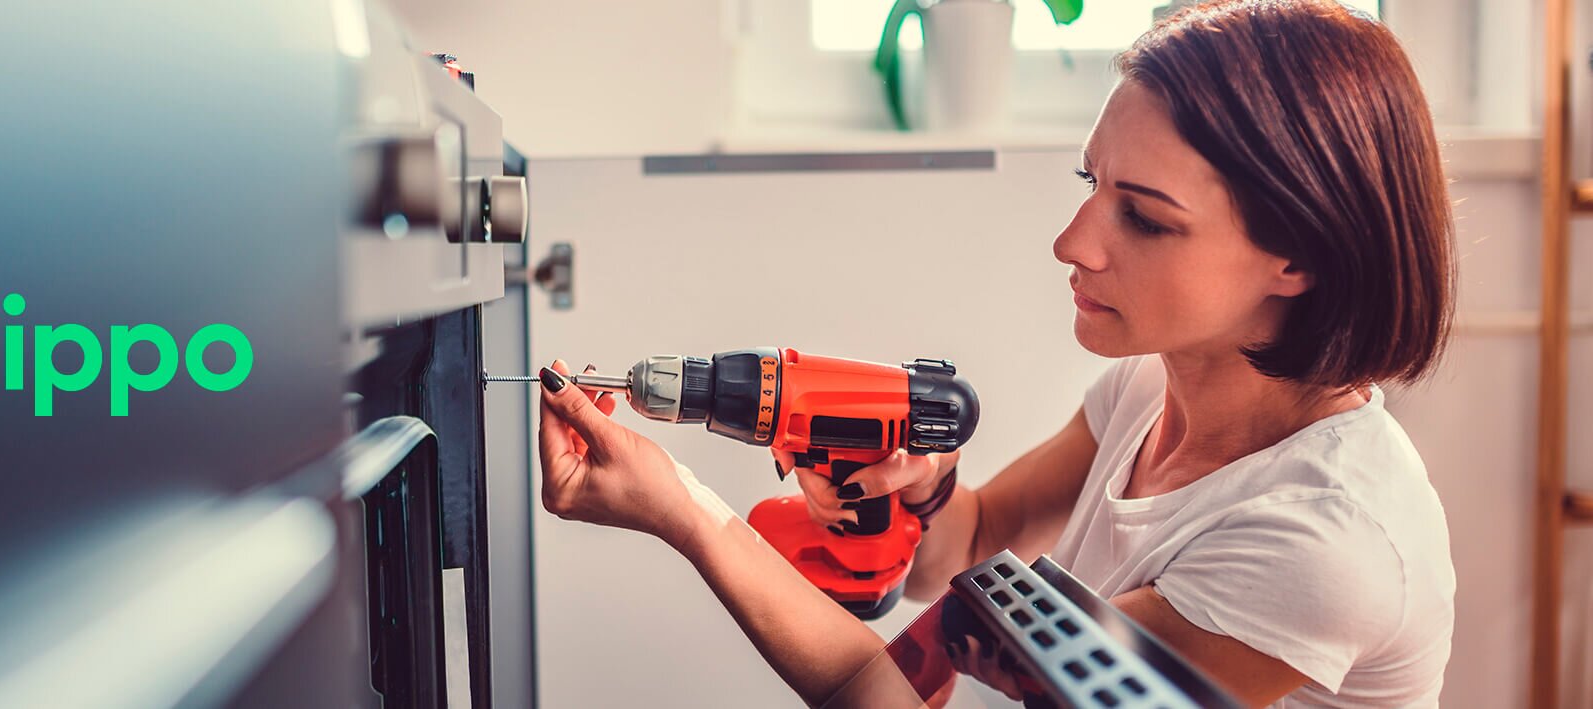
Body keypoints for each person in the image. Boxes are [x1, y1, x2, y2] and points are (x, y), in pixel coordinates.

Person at [532, 1, 1457, 705]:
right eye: (1090, 182)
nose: (1073, 241)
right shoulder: (1148, 385)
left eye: (1142, 216)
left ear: (1296, 254)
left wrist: (685, 512)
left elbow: (889, 691)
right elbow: (963, 551)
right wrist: (926, 493)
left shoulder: (1320, 544)